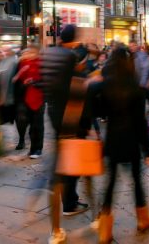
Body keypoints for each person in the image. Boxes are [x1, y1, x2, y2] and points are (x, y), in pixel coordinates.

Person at [85, 47, 149, 243]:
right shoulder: (136, 88)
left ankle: (105, 229)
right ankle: (143, 218)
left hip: (113, 138)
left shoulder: (103, 86)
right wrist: (148, 148)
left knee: (110, 183)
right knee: (136, 179)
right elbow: (141, 122)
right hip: (132, 139)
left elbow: (94, 107)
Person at [39, 25, 91, 244]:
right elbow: (78, 84)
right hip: (69, 113)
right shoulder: (70, 57)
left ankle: (67, 197)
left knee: (63, 155)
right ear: (75, 39)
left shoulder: (48, 53)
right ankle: (69, 202)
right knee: (72, 159)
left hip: (52, 111)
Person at [14, 46, 45, 158]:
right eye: (26, 52)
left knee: (37, 125)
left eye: (31, 52)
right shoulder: (21, 64)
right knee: (28, 124)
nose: (27, 54)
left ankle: (37, 149)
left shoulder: (42, 64)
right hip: (24, 97)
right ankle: (33, 148)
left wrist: (33, 82)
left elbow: (45, 81)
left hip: (38, 97)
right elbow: (16, 81)